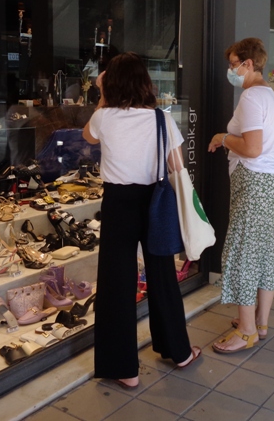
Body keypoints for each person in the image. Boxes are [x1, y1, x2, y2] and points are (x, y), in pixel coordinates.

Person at [83, 52, 201, 389]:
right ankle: (179, 352)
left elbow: (88, 137)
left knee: (116, 283)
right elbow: (177, 166)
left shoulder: (103, 117)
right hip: (155, 200)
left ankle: (124, 369)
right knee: (162, 275)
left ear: (111, 83)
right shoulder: (162, 119)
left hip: (117, 203)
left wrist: (103, 94)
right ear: (144, 82)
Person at [208, 37, 274, 353]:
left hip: (254, 186)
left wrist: (223, 137)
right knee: (266, 254)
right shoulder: (270, 96)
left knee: (241, 255)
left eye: (233, 64)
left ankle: (246, 331)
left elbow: (252, 149)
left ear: (248, 63)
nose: (231, 70)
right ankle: (261, 322)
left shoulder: (251, 97)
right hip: (273, 185)